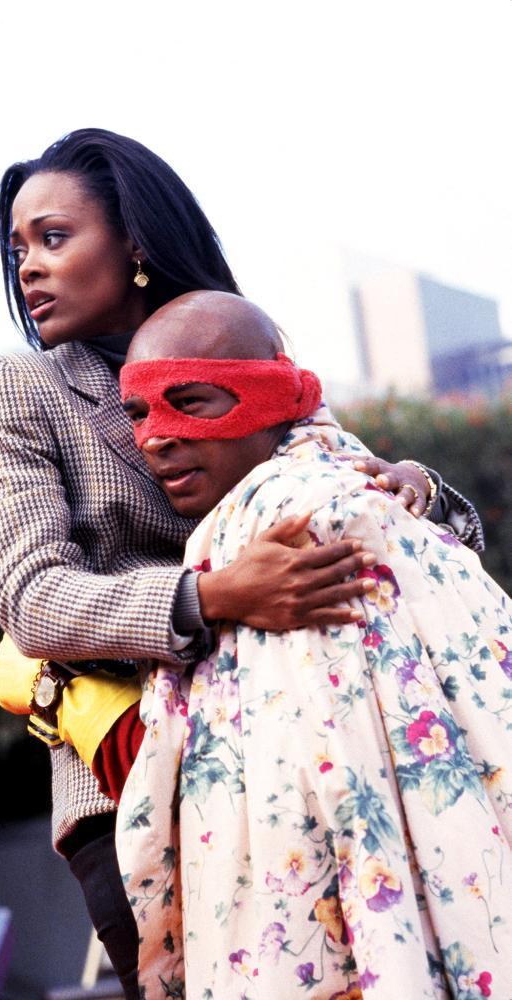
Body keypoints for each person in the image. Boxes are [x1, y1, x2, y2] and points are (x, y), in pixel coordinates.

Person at [0, 128, 483, 999]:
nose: (30, 268)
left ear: (135, 242)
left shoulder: (232, 339)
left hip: (318, 748)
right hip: (132, 777)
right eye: (19, 250)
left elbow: (354, 500)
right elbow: (31, 598)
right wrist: (216, 596)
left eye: (54, 237)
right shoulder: (11, 391)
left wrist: (415, 485)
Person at [116, 290, 512, 1000]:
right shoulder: (312, 498)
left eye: (191, 402)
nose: (155, 438)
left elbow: (336, 772)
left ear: (274, 399)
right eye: (139, 413)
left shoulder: (299, 514)